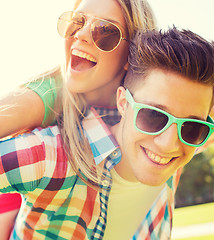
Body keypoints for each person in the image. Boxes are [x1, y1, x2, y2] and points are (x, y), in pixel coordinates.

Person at [0, 26, 214, 239]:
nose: (169, 144)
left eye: (192, 128)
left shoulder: (183, 151)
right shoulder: (54, 157)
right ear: (122, 102)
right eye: (153, 116)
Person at [0, 0, 157, 239]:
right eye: (76, 22)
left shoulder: (157, 105)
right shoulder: (43, 97)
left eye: (106, 31)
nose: (81, 34)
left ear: (133, 53)